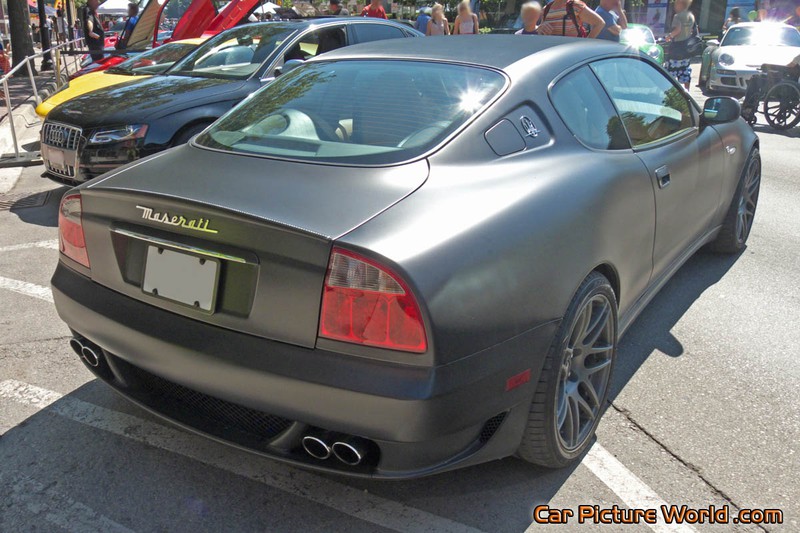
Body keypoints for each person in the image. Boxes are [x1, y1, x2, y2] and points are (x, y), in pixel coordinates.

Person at [664, 0, 695, 90]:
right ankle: (687, 91)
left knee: (671, 71)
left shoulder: (678, 16)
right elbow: (691, 30)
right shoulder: (691, 16)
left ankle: (670, 90)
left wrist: (669, 36)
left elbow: (678, 29)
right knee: (685, 69)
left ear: (680, 4)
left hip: (677, 47)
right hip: (687, 47)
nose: (675, 6)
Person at [537, 0, 605, 39]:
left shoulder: (574, 5)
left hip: (573, 57)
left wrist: (585, 44)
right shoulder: (546, 9)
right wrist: (540, 29)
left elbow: (599, 23)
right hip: (553, 55)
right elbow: (541, 33)